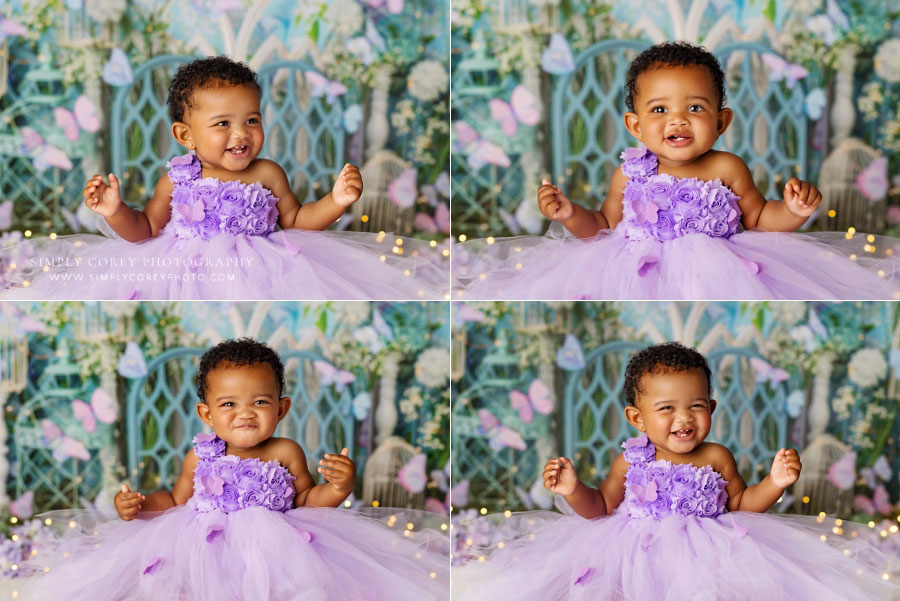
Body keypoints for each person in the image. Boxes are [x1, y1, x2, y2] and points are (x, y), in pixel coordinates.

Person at [453, 342, 899, 600]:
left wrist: (774, 484)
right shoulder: (632, 457)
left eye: (696, 407)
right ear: (637, 418)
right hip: (634, 553)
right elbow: (603, 507)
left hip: (711, 556)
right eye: (666, 408)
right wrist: (573, 490)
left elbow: (743, 506)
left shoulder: (716, 456)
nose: (684, 419)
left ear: (712, 409)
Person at [455, 41, 900, 300]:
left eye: (695, 107)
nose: (678, 120)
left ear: (721, 121)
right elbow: (606, 226)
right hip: (635, 274)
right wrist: (570, 214)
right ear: (636, 126)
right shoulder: (630, 172)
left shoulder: (727, 167)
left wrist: (795, 210)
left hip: (721, 273)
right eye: (660, 109)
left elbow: (761, 220)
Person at [21, 338, 448, 601]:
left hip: (278, 551)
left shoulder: (285, 450)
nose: (245, 414)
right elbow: (174, 500)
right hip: (203, 550)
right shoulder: (202, 455)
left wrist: (340, 486)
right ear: (207, 413)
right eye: (229, 404)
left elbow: (307, 501)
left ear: (281, 408)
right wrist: (136, 505)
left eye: (260, 402)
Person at [1, 56, 447, 300]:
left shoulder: (268, 171)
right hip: (182, 270)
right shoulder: (177, 178)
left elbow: (294, 220)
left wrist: (336, 201)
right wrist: (116, 211)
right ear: (185, 135)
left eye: (251, 120)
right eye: (222, 125)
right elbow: (147, 231)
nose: (241, 134)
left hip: (266, 268)